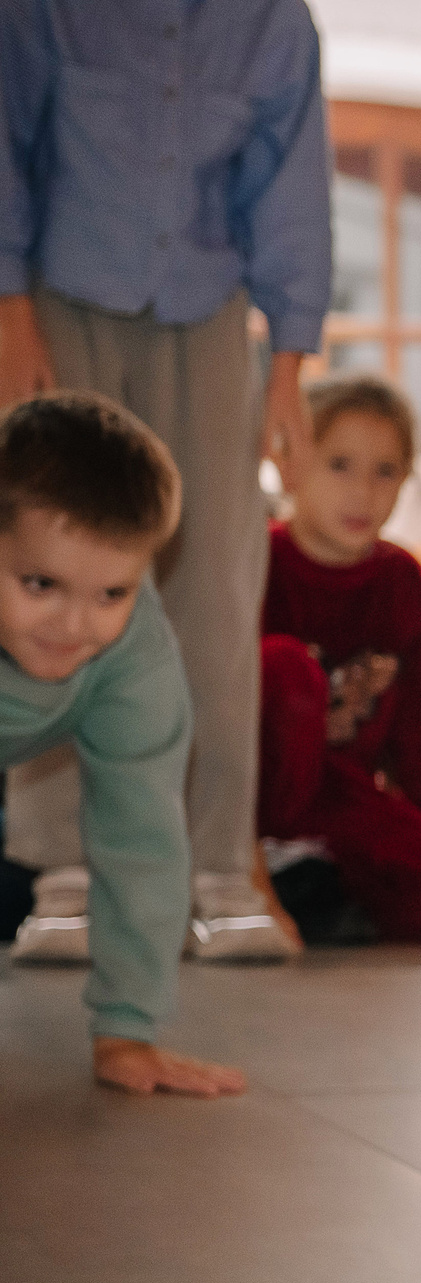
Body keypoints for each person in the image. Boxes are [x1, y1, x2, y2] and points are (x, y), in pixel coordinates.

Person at [1, 0, 330, 966]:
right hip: (62, 308)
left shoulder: (271, 19)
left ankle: (216, 864)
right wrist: (11, 312)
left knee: (218, 591)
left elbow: (292, 184)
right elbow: (9, 143)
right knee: (53, 583)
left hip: (208, 319)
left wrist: (289, 367)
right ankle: (64, 867)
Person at [0, 394, 247, 1097]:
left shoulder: (133, 660)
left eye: (112, 591)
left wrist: (127, 1029)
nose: (74, 623)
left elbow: (141, 838)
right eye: (40, 583)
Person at [259, 374, 421, 942]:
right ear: (291, 463)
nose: (362, 492)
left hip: (344, 804)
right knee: (286, 668)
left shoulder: (405, 583)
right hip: (253, 803)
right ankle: (277, 875)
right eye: (339, 465)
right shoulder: (259, 561)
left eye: (385, 472)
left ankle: (324, 890)